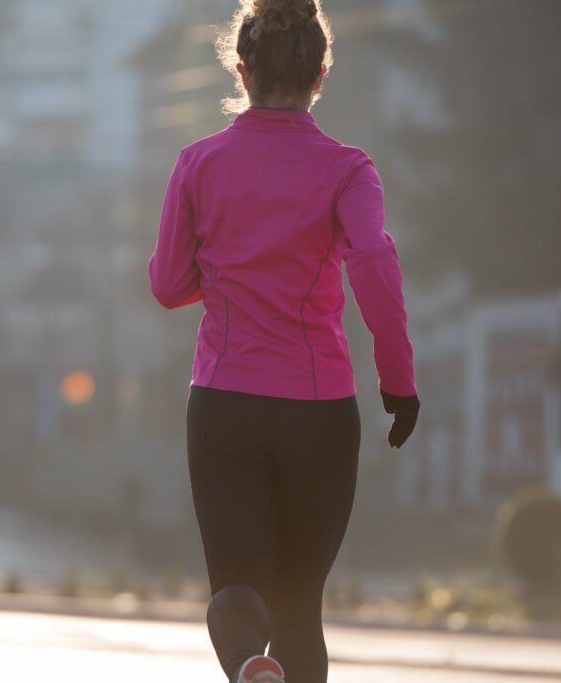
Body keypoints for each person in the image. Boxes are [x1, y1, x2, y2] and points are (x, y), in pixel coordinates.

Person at [149, 1, 419, 681]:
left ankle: (246, 664)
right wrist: (398, 380)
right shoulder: (349, 169)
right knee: (300, 608)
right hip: (320, 411)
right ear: (321, 72)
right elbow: (374, 263)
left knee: (237, 587)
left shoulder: (197, 163)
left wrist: (228, 270)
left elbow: (167, 283)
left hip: (224, 404)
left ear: (241, 69)